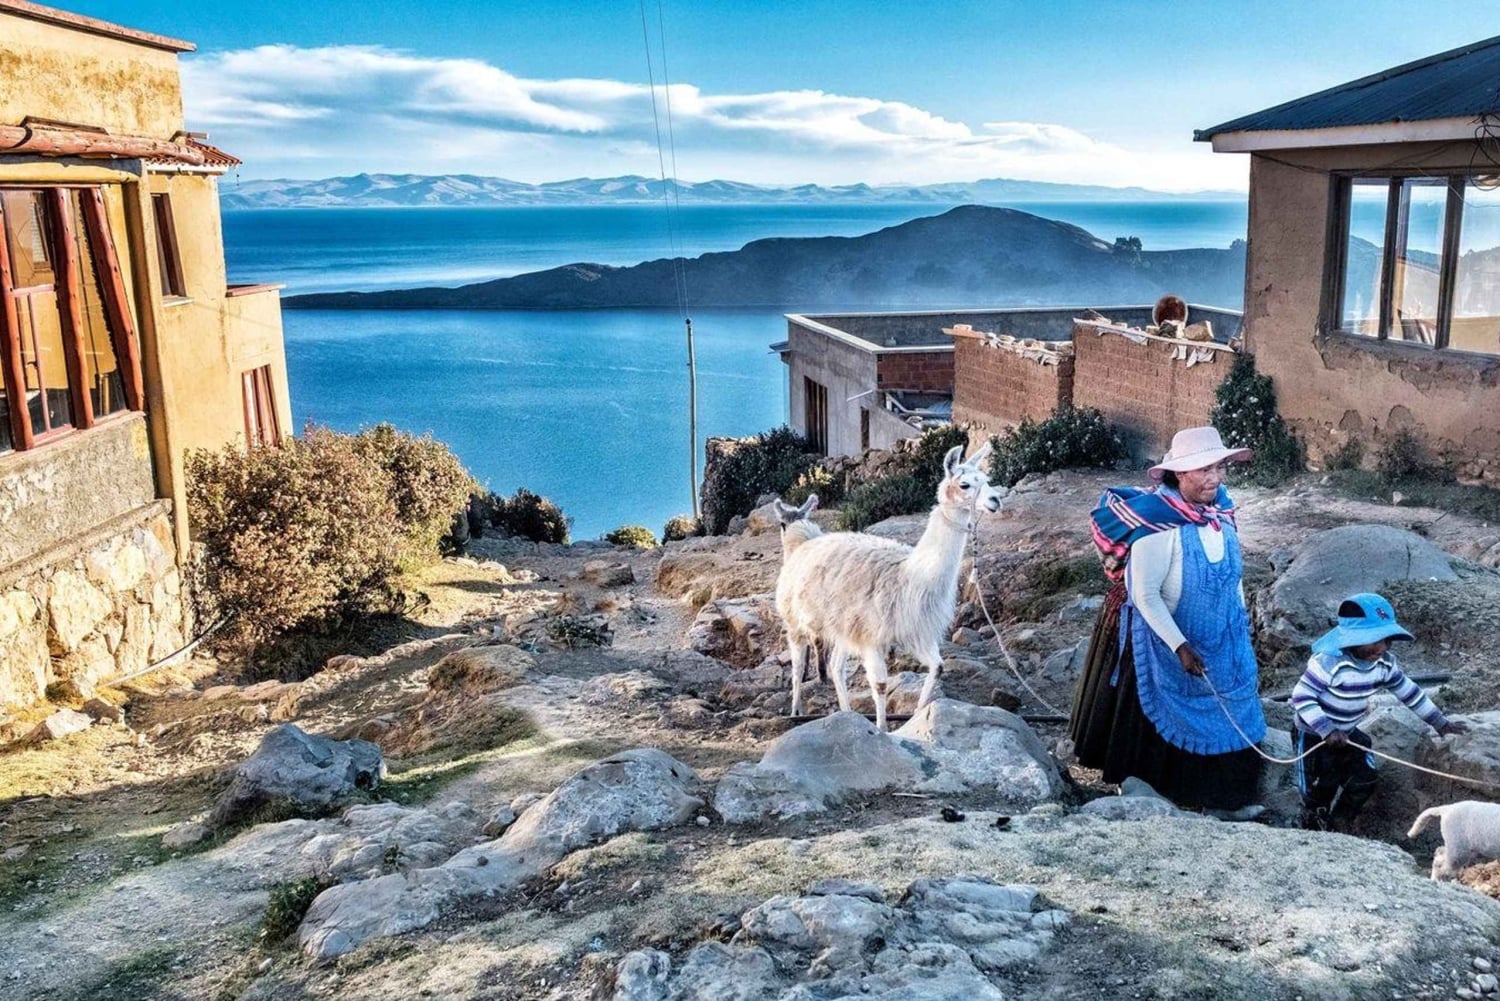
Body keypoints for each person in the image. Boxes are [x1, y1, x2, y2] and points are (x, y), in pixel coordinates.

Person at [1071, 426, 1266, 813]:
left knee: (1233, 697)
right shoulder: (1158, 526)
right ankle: (1162, 791)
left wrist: (1238, 625)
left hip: (1220, 632)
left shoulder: (1222, 513)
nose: (1215, 478)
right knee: (1164, 702)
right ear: (1180, 475)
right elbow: (1146, 595)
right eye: (1204, 471)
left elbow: (1232, 578)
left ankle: (1231, 796)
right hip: (1166, 635)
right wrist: (1178, 645)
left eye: (1219, 468)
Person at [1291, 593, 1468, 831]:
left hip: (1347, 732)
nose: (1381, 648)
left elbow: (1409, 693)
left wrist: (1439, 722)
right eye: (1373, 641)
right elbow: (1302, 696)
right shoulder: (1329, 663)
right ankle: (1311, 820)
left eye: (1386, 641)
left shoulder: (1384, 664)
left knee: (1365, 777)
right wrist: (1325, 729)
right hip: (1313, 733)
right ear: (1351, 639)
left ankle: (1341, 820)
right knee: (1319, 785)